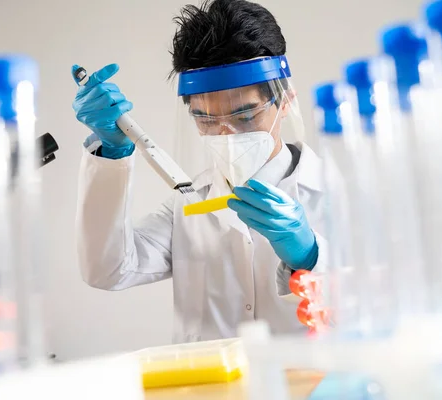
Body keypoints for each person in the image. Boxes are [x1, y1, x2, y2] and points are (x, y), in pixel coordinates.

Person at [71, 0, 327, 343]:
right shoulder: (188, 205)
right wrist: (112, 151)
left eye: (245, 115)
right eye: (205, 118)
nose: (225, 133)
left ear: (285, 102)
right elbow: (108, 270)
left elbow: (376, 309)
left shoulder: (338, 194)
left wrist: (310, 256)